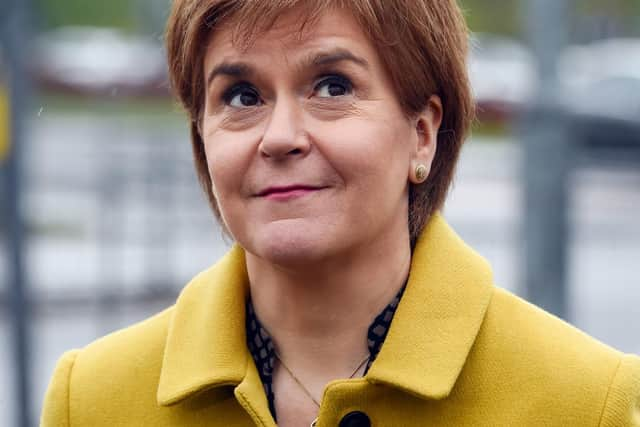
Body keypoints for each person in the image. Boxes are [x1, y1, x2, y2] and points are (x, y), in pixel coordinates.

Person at [41, 1, 640, 426]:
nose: (280, 137)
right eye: (242, 97)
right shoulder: (91, 399)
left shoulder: (587, 403)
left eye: (331, 87)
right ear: (202, 138)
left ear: (423, 134)